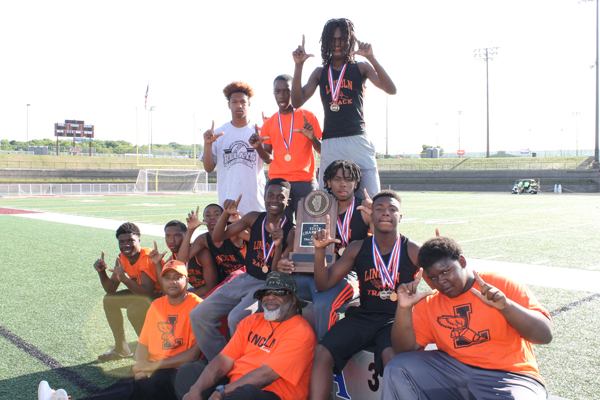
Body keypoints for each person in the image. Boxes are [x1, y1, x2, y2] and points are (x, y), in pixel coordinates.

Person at [382, 236, 553, 399]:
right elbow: (403, 351)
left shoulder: (499, 284)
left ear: (462, 261)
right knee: (398, 367)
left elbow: (544, 335)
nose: (441, 281)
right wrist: (403, 309)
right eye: (433, 277)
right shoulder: (430, 301)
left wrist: (506, 307)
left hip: (509, 375)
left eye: (445, 271)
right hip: (454, 372)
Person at [309, 190, 420, 400]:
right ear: (372, 215)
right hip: (365, 315)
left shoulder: (414, 249)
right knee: (322, 351)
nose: (386, 213)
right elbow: (323, 284)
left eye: (392, 209)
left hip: (395, 320)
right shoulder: (357, 248)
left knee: (392, 358)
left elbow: (437, 281)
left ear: (401, 216)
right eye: (379, 209)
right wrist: (320, 252)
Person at [39, 260, 202, 400]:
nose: (171, 282)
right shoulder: (157, 305)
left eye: (177, 277)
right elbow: (143, 343)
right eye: (167, 278)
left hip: (177, 371)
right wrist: (141, 365)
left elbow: (193, 354)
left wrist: (151, 366)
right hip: (153, 366)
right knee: (123, 386)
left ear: (186, 280)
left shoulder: (198, 306)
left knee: (134, 389)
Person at [189, 179, 295, 361]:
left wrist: (278, 246)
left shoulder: (291, 231)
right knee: (198, 314)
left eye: (280, 197)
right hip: (246, 277)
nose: (274, 200)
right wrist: (225, 215)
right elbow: (218, 236)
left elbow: (276, 272)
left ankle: (241, 364)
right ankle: (222, 363)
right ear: (264, 197)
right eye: (270, 195)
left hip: (267, 284)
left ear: (288, 201)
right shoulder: (253, 218)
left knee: (236, 318)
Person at [291, 18, 397, 198]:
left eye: (341, 39)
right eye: (333, 39)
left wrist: (371, 57)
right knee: (327, 200)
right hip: (331, 142)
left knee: (370, 197)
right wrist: (299, 65)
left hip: (357, 138)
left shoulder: (361, 67)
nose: (337, 44)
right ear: (326, 42)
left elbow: (391, 89)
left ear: (349, 41)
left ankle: (369, 227)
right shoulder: (320, 72)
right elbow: (296, 102)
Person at [175, 271, 316, 400]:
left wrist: (221, 392)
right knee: (189, 372)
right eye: (266, 292)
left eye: (279, 292)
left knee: (247, 393)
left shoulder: (301, 332)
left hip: (273, 395)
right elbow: (224, 360)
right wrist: (195, 390)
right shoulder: (252, 320)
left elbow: (265, 376)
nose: (270, 297)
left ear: (294, 299)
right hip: (237, 386)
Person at [250, 74, 322, 221]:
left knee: (308, 226)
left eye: (287, 91)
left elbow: (322, 150)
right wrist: (258, 147)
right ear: (273, 93)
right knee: (281, 228)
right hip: (279, 183)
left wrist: (312, 137)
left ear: (293, 92)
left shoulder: (308, 117)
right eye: (278, 91)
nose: (282, 96)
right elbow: (268, 159)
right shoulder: (269, 123)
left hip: (305, 181)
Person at [93, 222, 161, 363]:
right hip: (145, 295)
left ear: (139, 241)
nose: (126, 245)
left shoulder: (146, 256)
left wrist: (124, 279)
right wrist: (102, 272)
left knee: (135, 309)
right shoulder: (122, 257)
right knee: (109, 300)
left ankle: (150, 351)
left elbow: (147, 293)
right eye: (122, 242)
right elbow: (111, 289)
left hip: (161, 296)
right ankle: (121, 348)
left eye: (130, 240)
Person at [201, 81, 266, 215]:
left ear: (249, 104)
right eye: (234, 102)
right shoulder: (220, 133)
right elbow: (208, 168)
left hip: (256, 205)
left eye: (242, 101)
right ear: (229, 105)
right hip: (228, 206)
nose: (239, 105)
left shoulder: (259, 131)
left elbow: (271, 159)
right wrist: (207, 144)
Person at [177, 204, 248, 285]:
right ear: (203, 219)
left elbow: (260, 239)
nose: (212, 217)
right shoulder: (203, 239)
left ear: (225, 217)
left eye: (217, 214)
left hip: (247, 276)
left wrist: (240, 222)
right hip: (228, 281)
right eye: (208, 215)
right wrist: (190, 229)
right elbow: (181, 260)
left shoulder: (235, 232)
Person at [149, 220, 218, 297]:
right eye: (168, 236)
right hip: (195, 292)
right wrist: (157, 263)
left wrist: (184, 296)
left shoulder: (201, 254)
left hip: (213, 293)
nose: (172, 241)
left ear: (186, 236)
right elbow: (165, 291)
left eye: (177, 236)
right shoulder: (172, 259)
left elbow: (211, 287)